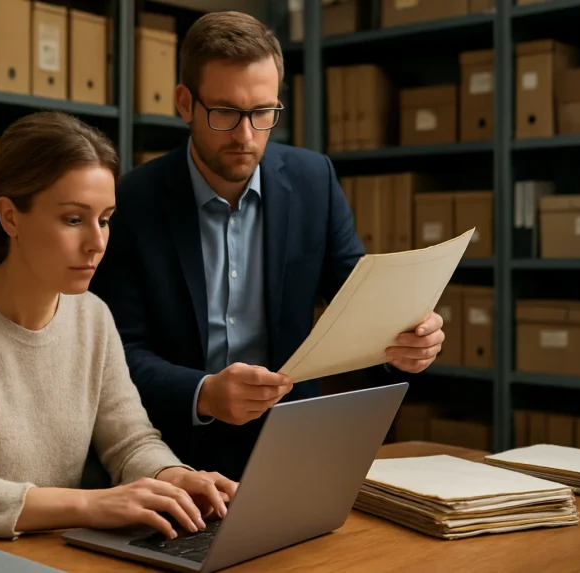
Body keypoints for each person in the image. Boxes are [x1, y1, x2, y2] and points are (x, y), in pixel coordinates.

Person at [89, 11, 445, 482]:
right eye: (225, 113)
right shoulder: (133, 200)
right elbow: (118, 351)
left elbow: (359, 301)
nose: (245, 135)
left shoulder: (313, 179)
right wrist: (204, 392)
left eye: (262, 112)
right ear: (184, 103)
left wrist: (409, 339)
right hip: (173, 453)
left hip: (294, 444)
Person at [0, 111, 238, 543]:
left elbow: (130, 441)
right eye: (74, 219)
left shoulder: (93, 316)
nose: (97, 242)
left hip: (39, 556)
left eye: (105, 218)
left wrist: (172, 477)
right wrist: (93, 505)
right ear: (10, 217)